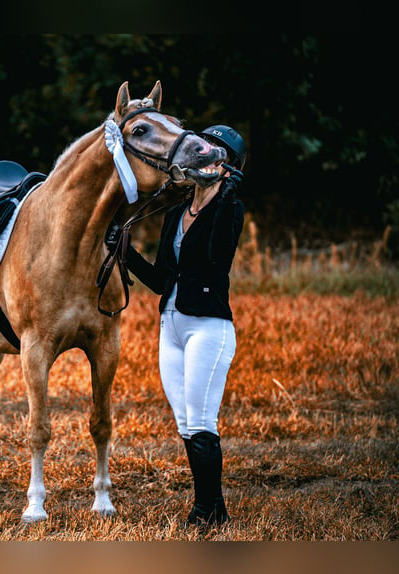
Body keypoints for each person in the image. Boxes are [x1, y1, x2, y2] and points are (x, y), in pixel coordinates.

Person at [117, 124, 246, 527]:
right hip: (170, 326)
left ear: (227, 168)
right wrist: (125, 250)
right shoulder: (175, 213)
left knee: (203, 421)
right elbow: (160, 280)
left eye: (216, 154)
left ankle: (204, 511)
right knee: (186, 424)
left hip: (208, 326)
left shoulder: (230, 209)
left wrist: (224, 196)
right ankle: (215, 507)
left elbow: (215, 258)